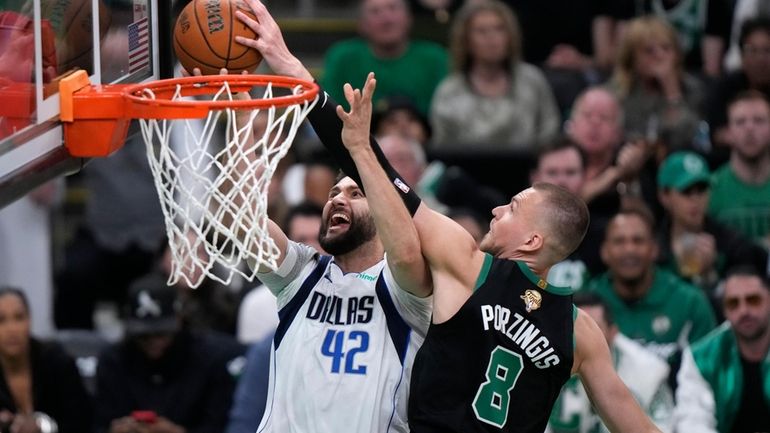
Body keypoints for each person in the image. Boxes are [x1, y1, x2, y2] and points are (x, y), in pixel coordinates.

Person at [235, 4, 658, 431]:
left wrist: (295, 71)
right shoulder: (578, 329)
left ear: (532, 240)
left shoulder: (468, 265)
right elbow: (634, 423)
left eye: (511, 207)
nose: (495, 209)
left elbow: (391, 187)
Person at [93, 274, 245, 433]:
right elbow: (98, 423)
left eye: (162, 333)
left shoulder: (211, 358)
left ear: (180, 321)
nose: (153, 342)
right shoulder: (113, 360)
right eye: (143, 336)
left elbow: (221, 426)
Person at [583, 208, 715, 371]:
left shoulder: (690, 303)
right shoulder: (586, 308)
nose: (629, 250)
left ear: (654, 249)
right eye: (619, 241)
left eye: (638, 241)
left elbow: (708, 372)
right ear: (604, 252)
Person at [429, 0, 560, 150]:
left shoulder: (532, 81)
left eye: (499, 29)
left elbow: (549, 135)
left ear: (510, 35)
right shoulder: (449, 91)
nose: (492, 38)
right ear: (466, 40)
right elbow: (443, 149)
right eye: (481, 31)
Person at [547, 294, 674, 433]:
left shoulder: (650, 371)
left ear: (613, 332)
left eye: (594, 327)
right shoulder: (539, 362)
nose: (582, 338)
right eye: (574, 329)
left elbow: (663, 426)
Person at [656, 151, 769, 299]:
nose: (695, 199)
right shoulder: (652, 249)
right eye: (686, 192)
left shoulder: (733, 245)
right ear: (665, 196)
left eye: (702, 189)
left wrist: (710, 277)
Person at [675, 266, 770, 433]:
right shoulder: (701, 357)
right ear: (724, 310)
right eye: (733, 303)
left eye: (753, 300)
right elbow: (692, 423)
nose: (744, 311)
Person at [320, 0, 448, 116]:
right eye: (375, 12)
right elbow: (329, 111)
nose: (386, 19)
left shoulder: (435, 57)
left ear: (409, 17)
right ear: (362, 24)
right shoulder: (342, 58)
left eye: (393, 8)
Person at [608, 16, 706, 155]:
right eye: (649, 51)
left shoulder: (692, 90)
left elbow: (687, 139)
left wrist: (672, 90)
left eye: (666, 48)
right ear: (632, 58)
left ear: (677, 54)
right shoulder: (614, 93)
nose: (660, 56)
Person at [0, 287, 92, 433]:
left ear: (29, 321)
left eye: (19, 317)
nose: (12, 329)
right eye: (1, 320)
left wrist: (44, 427)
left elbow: (82, 422)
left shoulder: (57, 362)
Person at [708, 91, 770, 248]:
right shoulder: (710, 189)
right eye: (740, 122)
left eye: (759, 121)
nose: (749, 128)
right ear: (728, 132)